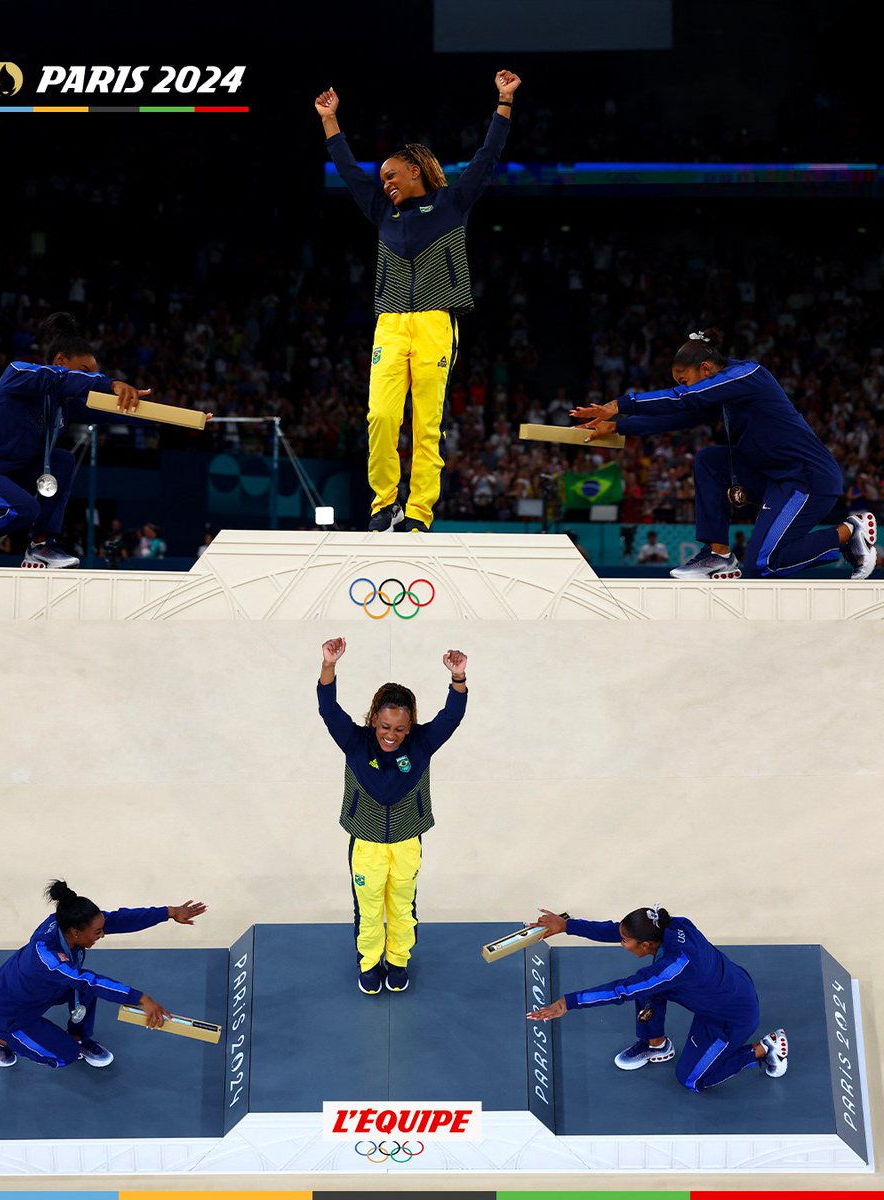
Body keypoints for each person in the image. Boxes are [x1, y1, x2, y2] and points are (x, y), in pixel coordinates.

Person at [314, 70, 520, 533]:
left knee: (427, 425)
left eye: (391, 174)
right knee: (381, 417)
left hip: (435, 323)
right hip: (390, 325)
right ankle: (382, 503)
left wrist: (503, 102)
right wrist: (330, 121)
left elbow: (487, 158)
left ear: (415, 170)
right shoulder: (381, 210)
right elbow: (348, 170)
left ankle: (420, 513)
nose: (384, 182)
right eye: (381, 177)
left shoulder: (452, 203)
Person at [571, 328, 876, 580]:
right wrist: (617, 427)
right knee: (709, 461)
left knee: (763, 564)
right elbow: (680, 417)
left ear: (705, 368)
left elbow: (684, 399)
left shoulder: (749, 375)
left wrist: (621, 404)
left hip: (808, 479)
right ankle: (718, 556)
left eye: (684, 379)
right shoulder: (721, 393)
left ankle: (849, 532)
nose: (683, 386)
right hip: (774, 478)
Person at [0, 312, 147, 569]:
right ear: (59, 360)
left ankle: (41, 546)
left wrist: (179, 417)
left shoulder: (63, 405)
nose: (89, 380)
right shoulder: (19, 373)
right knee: (24, 509)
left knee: (63, 461)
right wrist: (109, 384)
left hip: (5, 475)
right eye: (85, 372)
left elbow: (113, 412)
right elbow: (60, 379)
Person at [317, 637, 467, 994]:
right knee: (369, 912)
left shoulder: (422, 742)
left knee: (402, 907)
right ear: (373, 720)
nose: (392, 736)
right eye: (385, 727)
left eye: (400, 729)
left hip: (406, 843)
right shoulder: (355, 741)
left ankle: (398, 960)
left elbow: (452, 716)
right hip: (366, 845)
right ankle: (369, 964)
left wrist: (458, 678)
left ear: (411, 724)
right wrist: (328, 665)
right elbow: (328, 709)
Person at [526, 905, 788, 1092]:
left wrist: (568, 1003)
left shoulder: (673, 967)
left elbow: (622, 990)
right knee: (649, 988)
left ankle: (764, 1049)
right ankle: (657, 1044)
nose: (622, 944)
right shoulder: (672, 925)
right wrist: (568, 926)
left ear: (646, 945)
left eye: (625, 941)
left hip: (730, 1017)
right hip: (730, 985)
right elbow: (616, 930)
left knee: (692, 1080)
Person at [0, 880, 207, 1069]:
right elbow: (90, 982)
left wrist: (170, 912)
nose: (102, 935)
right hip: (6, 1011)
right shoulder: (48, 959)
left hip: (36, 992)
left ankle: (79, 1038)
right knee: (64, 1056)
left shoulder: (66, 921)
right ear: (76, 933)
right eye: (97, 932)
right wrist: (141, 999)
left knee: (81, 996)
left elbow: (119, 919)